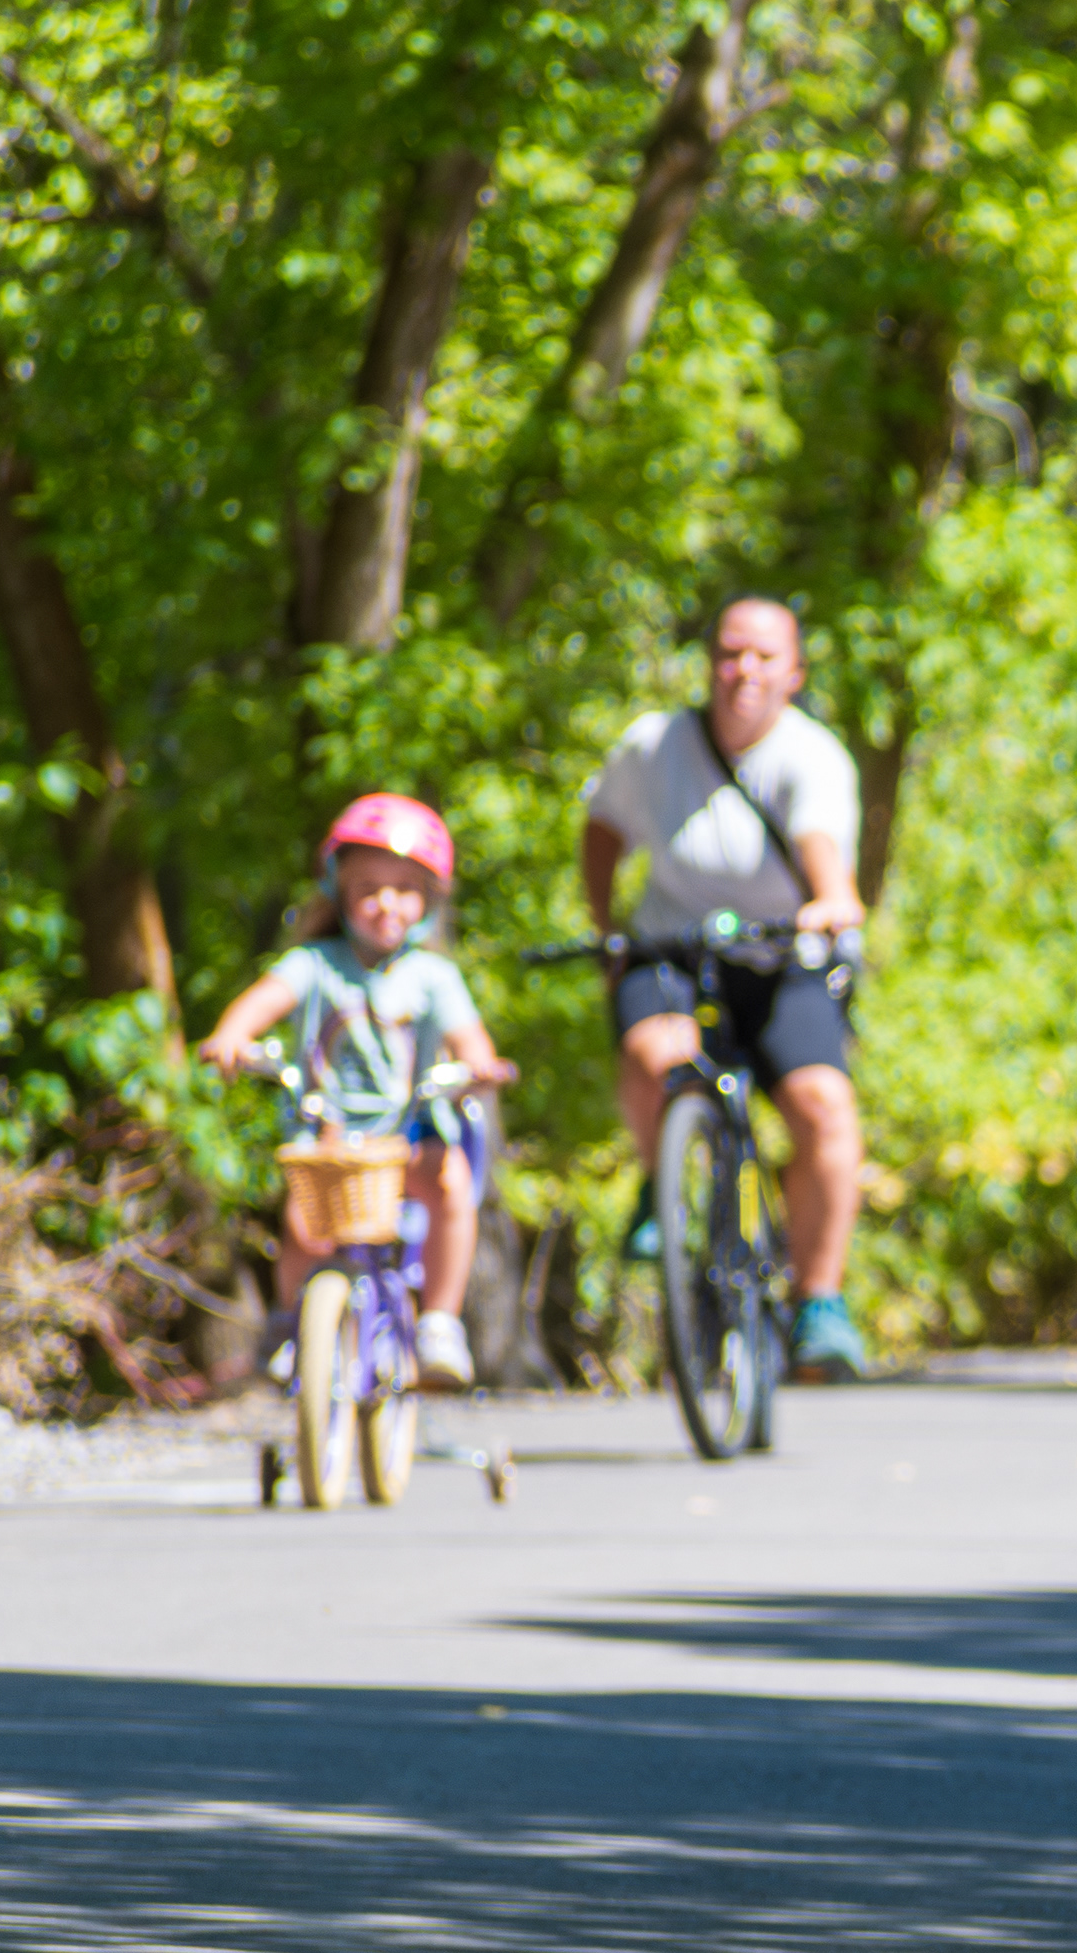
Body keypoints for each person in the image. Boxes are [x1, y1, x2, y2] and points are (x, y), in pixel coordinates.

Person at [581, 595, 875, 1381]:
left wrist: (829, 905)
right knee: (653, 1054)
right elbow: (602, 827)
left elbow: (827, 865)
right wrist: (606, 926)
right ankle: (662, 1186)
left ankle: (821, 1302)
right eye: (730, 653)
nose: (744, 671)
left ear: (795, 673)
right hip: (672, 947)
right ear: (710, 661)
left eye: (764, 657)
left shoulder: (813, 758)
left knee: (823, 1104)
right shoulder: (654, 745)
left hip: (784, 958)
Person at [196, 794, 518, 1390]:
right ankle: (294, 1326)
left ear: (427, 899)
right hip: (331, 1134)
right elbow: (260, 1004)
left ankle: (440, 1323)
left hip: (408, 1134)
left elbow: (472, 1040)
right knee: (303, 1223)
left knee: (451, 1188)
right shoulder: (315, 964)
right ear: (338, 892)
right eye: (368, 887)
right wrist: (232, 1037)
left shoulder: (433, 976)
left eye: (402, 888)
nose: (384, 903)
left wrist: (480, 1066)